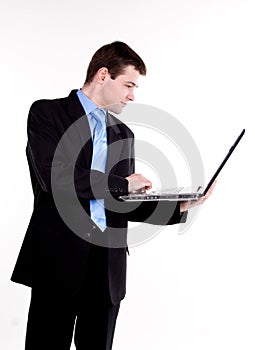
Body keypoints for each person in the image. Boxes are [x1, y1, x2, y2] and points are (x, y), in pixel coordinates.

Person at [11, 41, 215, 350]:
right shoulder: (47, 113)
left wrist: (178, 206)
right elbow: (56, 178)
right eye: (128, 85)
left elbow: (120, 204)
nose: (132, 96)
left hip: (106, 267)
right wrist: (121, 184)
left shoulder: (123, 134)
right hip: (57, 259)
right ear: (103, 75)